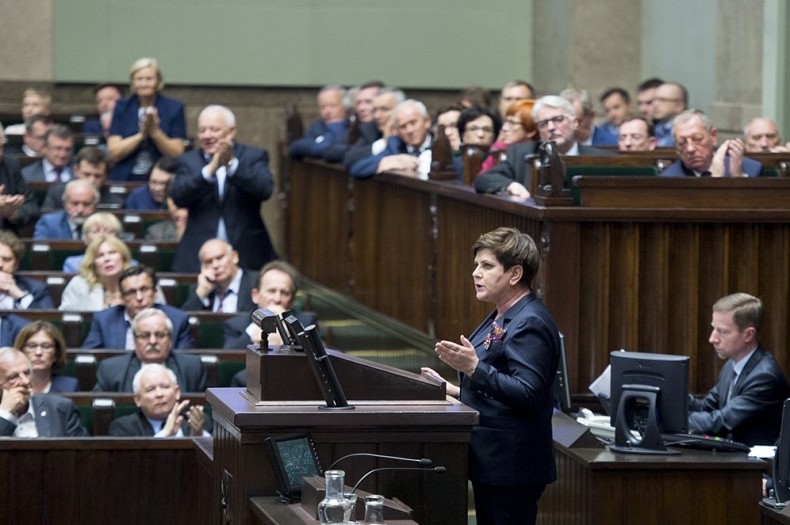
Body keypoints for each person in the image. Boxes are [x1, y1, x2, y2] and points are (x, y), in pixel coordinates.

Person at [421, 227, 560, 525]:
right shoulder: (503, 313)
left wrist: (474, 368)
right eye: (476, 265)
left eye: (486, 266)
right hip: (495, 463)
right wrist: (454, 390)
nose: (475, 273)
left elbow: (527, 394)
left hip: (512, 467)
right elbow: (500, 386)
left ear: (514, 274)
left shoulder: (530, 322)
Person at [171, 105, 276, 273]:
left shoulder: (254, 156)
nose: (207, 136)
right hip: (198, 253)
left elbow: (264, 189)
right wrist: (209, 171)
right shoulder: (187, 161)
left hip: (247, 252)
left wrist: (232, 167)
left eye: (214, 130)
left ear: (231, 131)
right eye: (202, 130)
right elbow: (179, 196)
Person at [689, 293, 790, 445]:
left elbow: (723, 421)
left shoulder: (765, 376)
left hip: (757, 465)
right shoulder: (732, 365)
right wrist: (670, 395)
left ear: (748, 334)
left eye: (722, 331)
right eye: (714, 329)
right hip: (734, 460)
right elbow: (706, 407)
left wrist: (675, 420)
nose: (712, 339)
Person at [475, 95, 614, 198]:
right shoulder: (521, 154)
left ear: (575, 123)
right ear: (539, 129)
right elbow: (484, 179)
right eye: (544, 123)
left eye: (558, 119)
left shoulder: (601, 159)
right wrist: (511, 185)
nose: (552, 127)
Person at [107, 57, 186, 181]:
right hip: (125, 177)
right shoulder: (122, 107)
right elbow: (114, 153)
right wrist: (141, 135)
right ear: (133, 82)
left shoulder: (174, 108)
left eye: (149, 79)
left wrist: (155, 132)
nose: (144, 84)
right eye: (139, 79)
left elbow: (177, 153)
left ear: (158, 81)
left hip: (162, 177)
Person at [94, 309, 205, 393]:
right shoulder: (111, 370)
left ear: (170, 340)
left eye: (160, 335)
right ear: (134, 341)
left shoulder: (192, 368)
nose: (152, 341)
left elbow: (207, 411)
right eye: (144, 335)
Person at [82, 266, 191, 350]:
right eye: (131, 292)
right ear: (122, 298)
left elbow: (185, 364)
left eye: (144, 289)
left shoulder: (177, 319)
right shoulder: (104, 320)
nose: (139, 298)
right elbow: (90, 356)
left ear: (155, 292)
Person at [223, 260, 316, 350]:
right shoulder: (234, 325)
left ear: (292, 300)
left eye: (284, 293)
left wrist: (286, 325)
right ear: (256, 295)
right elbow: (228, 361)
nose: (277, 299)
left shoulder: (306, 323)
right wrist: (257, 326)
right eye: (271, 291)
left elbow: (312, 356)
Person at [0, 347, 88, 437]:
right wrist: (4, 413)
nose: (26, 381)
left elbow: (84, 449)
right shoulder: (3, 413)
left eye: (27, 372)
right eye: (13, 377)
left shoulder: (61, 408)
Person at [108, 363, 208, 437]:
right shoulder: (123, 428)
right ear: (137, 399)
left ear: (177, 392)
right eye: (150, 389)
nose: (159, 394)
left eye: (165, 387)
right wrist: (165, 433)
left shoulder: (198, 422)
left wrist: (199, 436)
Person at [660, 110, 762, 178]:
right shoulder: (668, 179)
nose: (690, 149)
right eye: (682, 143)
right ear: (676, 147)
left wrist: (738, 177)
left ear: (713, 136)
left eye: (697, 139)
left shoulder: (749, 168)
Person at [348, 99, 433, 179]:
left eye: (413, 123)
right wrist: (386, 161)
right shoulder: (395, 145)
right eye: (403, 126)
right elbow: (356, 169)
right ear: (397, 130)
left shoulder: (439, 143)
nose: (410, 130)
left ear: (426, 121)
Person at [59, 234, 133, 311]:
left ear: (123, 258)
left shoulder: (136, 284)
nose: (107, 259)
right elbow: (67, 318)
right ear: (92, 263)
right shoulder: (79, 285)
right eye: (100, 255)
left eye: (112, 252)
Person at [181, 239, 255, 313]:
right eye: (209, 261)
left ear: (234, 257)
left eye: (220, 258)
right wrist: (202, 293)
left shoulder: (256, 282)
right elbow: (183, 321)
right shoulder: (199, 289)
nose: (215, 265)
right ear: (202, 267)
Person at [342, 87, 406, 170]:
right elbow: (349, 159)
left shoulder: (411, 130)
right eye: (375, 110)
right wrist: (384, 142)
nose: (377, 116)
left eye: (384, 109)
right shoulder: (371, 129)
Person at [41, 146, 124, 209]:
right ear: (76, 170)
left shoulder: (115, 203)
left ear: (106, 176)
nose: (91, 180)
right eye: (87, 174)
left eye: (97, 176)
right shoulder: (57, 194)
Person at [288, 85, 349, 160]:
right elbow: (295, 147)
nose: (327, 112)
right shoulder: (318, 126)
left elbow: (338, 150)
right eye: (323, 107)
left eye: (332, 106)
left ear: (345, 106)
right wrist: (319, 147)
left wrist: (336, 125)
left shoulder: (353, 126)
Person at [14, 321, 76, 393]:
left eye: (46, 346)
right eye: (32, 346)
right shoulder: (10, 386)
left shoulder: (69, 386)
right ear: (21, 351)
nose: (38, 352)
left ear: (56, 354)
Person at [0, 127, 41, 234]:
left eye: (0, 147)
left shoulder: (10, 165)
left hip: (6, 239)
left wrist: (12, 213)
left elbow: (32, 208)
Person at [480, 99, 537, 173]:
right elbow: (482, 179)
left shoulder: (538, 155)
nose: (504, 128)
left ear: (531, 131)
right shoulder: (499, 149)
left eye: (512, 123)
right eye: (506, 121)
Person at [0, 231, 52, 309]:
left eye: (6, 259)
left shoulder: (36, 289)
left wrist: (19, 295)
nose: (0, 265)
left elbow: (45, 320)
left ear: (16, 264)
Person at [33, 179, 98, 240]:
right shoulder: (49, 224)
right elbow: (39, 250)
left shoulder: (104, 225)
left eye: (86, 204)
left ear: (95, 205)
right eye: (74, 204)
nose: (80, 210)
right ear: (65, 204)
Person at [652, 81, 688, 147]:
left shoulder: (687, 132)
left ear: (680, 106)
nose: (655, 104)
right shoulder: (654, 129)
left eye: (662, 100)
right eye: (655, 100)